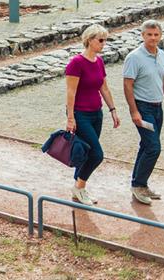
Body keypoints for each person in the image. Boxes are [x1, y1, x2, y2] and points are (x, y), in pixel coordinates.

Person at [122, 20, 164, 205]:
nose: (153, 38)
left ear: (160, 35)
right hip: (143, 107)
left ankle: (140, 184)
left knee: (147, 146)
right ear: (143, 35)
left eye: (156, 35)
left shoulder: (162, 55)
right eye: (149, 34)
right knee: (154, 147)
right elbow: (127, 85)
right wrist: (134, 111)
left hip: (157, 107)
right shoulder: (134, 57)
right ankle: (138, 185)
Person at [63, 24, 121, 206]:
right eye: (100, 40)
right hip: (81, 114)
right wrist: (71, 118)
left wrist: (113, 110)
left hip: (97, 113)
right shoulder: (76, 63)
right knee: (97, 154)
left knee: (88, 152)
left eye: (105, 40)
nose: (103, 43)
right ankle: (79, 188)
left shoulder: (99, 61)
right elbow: (70, 92)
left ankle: (78, 188)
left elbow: (104, 87)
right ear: (89, 40)